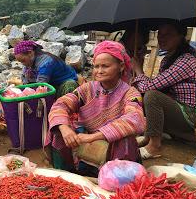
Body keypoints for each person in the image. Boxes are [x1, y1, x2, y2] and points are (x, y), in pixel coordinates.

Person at [46, 41, 145, 175]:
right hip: (86, 140)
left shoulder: (130, 93)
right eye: (96, 66)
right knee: (58, 129)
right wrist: (65, 128)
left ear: (121, 66)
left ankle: (115, 177)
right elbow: (61, 104)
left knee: (125, 139)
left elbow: (134, 119)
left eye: (105, 66)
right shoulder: (88, 88)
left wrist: (93, 137)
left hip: (112, 145)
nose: (99, 71)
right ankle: (66, 173)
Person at [132, 22, 196, 159]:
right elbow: (154, 85)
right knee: (137, 95)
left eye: (168, 34)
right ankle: (149, 137)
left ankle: (154, 146)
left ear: (181, 36)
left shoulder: (187, 60)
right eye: (160, 34)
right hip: (175, 109)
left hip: (188, 116)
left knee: (152, 96)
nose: (162, 38)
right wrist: (141, 59)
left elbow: (149, 88)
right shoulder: (167, 59)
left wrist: (138, 69)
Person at [14, 40, 78, 97]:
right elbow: (25, 83)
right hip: (51, 85)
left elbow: (40, 85)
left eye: (23, 60)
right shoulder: (28, 63)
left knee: (70, 85)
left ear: (30, 53)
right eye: (20, 62)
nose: (23, 64)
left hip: (61, 84)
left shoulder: (46, 62)